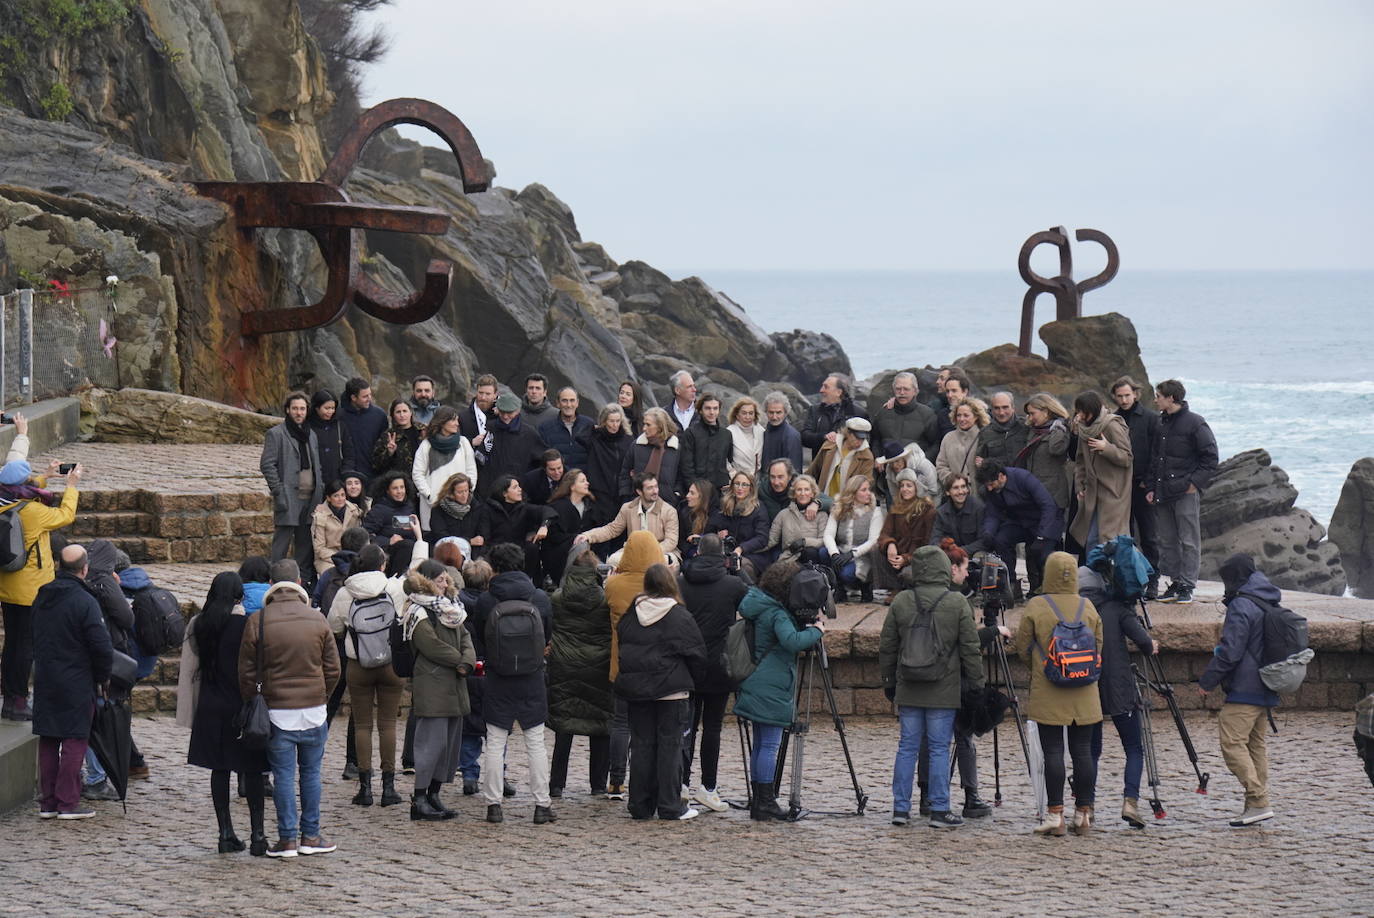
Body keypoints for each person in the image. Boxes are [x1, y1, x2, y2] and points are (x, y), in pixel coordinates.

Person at [238, 559, 341, 858]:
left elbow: (246, 673)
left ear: (272, 585)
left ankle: (287, 839)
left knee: (282, 775)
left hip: (276, 711)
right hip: (313, 710)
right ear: (298, 583)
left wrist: (255, 700)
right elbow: (333, 668)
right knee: (311, 773)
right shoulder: (317, 619)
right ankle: (311, 835)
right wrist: (321, 695)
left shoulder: (258, 620)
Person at [879, 545, 983, 829]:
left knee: (907, 747)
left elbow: (887, 647)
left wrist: (888, 682)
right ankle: (939, 809)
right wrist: (976, 684)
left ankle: (900, 809)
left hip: (909, 685)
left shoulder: (901, 601)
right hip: (943, 687)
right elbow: (970, 650)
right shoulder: (958, 603)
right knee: (939, 748)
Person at [1012, 551, 1104, 837]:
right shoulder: (1087, 606)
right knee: (1084, 752)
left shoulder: (1037, 605)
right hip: (1085, 689)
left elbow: (1023, 648)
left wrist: (1041, 669)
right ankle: (1084, 813)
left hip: (1049, 689)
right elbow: (1098, 647)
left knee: (1053, 751)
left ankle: (1055, 815)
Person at [179, 572, 269, 853]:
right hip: (242, 704)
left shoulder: (199, 624)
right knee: (252, 770)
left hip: (210, 704)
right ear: (240, 596)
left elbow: (191, 668)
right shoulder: (248, 625)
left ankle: (225, 833)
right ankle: (257, 835)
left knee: (220, 769)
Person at [470, 543, 556, 825]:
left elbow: (480, 639)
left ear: (494, 568)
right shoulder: (539, 597)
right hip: (532, 676)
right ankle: (542, 805)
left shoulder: (486, 600)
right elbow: (547, 635)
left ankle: (493, 804)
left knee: (494, 742)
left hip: (498, 676)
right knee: (535, 742)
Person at [732, 560, 825, 820]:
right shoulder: (777, 613)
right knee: (769, 745)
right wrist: (817, 631)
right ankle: (766, 802)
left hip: (756, 681)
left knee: (762, 745)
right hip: (770, 687)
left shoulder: (760, 604)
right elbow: (792, 641)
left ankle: (760, 801)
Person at [616, 562, 708, 821]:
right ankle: (670, 805)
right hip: (671, 691)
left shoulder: (631, 614)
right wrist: (692, 681)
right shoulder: (679, 616)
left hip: (638, 691)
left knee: (642, 747)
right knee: (670, 747)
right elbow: (697, 654)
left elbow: (624, 646)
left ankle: (640, 805)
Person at [1199, 554, 1282, 827]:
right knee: (1255, 744)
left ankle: (1258, 800)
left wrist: (1207, 681)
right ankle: (1255, 805)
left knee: (1232, 742)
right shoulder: (1266, 597)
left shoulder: (1242, 604)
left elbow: (1230, 651)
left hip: (1245, 687)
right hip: (1266, 684)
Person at [31, 545, 111, 821]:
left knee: (49, 738)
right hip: (76, 679)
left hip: (45, 676)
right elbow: (101, 646)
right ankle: (68, 802)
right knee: (75, 738)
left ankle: (48, 802)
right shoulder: (85, 601)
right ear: (85, 568)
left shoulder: (42, 596)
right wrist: (103, 676)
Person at [327, 543, 407, 809]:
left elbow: (333, 627)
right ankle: (388, 787)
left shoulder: (344, 592)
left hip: (358, 662)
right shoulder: (393, 588)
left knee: (362, 725)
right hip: (390, 663)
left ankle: (365, 788)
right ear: (382, 565)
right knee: (387, 724)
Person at [0, 458, 82, 722]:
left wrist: (45, 475)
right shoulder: (33, 512)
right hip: (30, 589)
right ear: (22, 484)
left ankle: (10, 698)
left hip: (6, 585)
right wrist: (71, 486)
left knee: (12, 643)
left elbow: (23, 487)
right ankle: (19, 701)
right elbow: (65, 516)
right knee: (25, 646)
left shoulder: (4, 500)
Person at [1078, 565, 1157, 829]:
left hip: (1087, 688)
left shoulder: (1075, 609)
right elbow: (1144, 643)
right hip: (1121, 687)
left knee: (1091, 750)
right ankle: (1130, 802)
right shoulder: (1117, 607)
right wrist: (1152, 645)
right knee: (1134, 748)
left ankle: (1086, 807)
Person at [676, 535, 746, 812]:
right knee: (712, 728)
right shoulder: (732, 584)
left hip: (688, 663)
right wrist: (739, 571)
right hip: (719, 663)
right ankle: (709, 787)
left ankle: (681, 783)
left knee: (686, 727)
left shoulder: (680, 582)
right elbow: (755, 603)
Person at [404, 566, 476, 821]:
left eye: (446, 578)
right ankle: (420, 797)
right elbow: (430, 644)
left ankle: (434, 793)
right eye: (439, 579)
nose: (445, 583)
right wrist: (460, 660)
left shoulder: (452, 608)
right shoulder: (418, 610)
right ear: (426, 582)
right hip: (433, 683)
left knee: (448, 746)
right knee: (430, 745)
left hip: (454, 683)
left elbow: (466, 637)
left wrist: (467, 660)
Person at [602, 531, 668, 799]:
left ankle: (616, 781)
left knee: (620, 724)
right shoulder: (664, 585)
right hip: (655, 666)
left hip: (622, 664)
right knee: (648, 728)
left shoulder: (614, 585)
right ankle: (646, 782)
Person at [547, 545, 614, 799]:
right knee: (601, 724)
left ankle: (556, 784)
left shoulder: (558, 598)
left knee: (564, 726)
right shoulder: (604, 598)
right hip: (599, 666)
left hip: (565, 664)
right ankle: (598, 784)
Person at [1147, 379, 1219, 604]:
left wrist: (1194, 484)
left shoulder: (1195, 422)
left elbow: (1211, 458)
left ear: (1171, 398)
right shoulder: (1161, 423)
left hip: (1185, 492)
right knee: (1167, 541)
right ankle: (1176, 583)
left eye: (1158, 395)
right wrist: (1150, 487)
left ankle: (1187, 585)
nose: (1155, 399)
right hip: (1163, 491)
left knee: (1189, 541)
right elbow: (1155, 458)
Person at [976, 459, 1061, 595]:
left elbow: (1048, 505)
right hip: (1021, 522)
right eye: (987, 485)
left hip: (1045, 522)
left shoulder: (1023, 478)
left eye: (991, 484)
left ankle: (1044, 589)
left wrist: (1042, 536)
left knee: (1042, 554)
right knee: (1001, 540)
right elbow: (993, 514)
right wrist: (988, 532)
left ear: (1001, 476)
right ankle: (1010, 584)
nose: (989, 488)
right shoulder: (991, 491)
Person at [261, 392, 323, 575]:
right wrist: (278, 490)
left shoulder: (310, 434)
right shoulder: (276, 433)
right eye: (295, 408)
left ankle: (301, 581)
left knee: (304, 544)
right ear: (288, 410)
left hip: (310, 495)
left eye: (302, 408)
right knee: (282, 543)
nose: (299, 412)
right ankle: (274, 578)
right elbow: (267, 464)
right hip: (288, 496)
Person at [1112, 376, 1162, 598]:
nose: (1124, 400)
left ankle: (1152, 581)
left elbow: (1157, 453)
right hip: (1120, 486)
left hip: (1143, 485)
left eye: (1127, 395)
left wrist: (1150, 482)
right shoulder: (1112, 419)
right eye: (1120, 396)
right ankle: (1131, 579)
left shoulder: (1151, 418)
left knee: (1149, 535)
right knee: (1125, 536)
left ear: (1136, 394)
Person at [1069, 391, 1133, 551]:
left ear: (1093, 409)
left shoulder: (1111, 425)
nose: (1080, 416)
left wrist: (1107, 448)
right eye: (1078, 411)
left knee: (1108, 541)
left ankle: (1108, 575)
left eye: (1083, 411)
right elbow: (1080, 461)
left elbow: (1126, 457)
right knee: (1090, 540)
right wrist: (1080, 487)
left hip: (1113, 493)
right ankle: (1097, 575)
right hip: (1092, 492)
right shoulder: (1084, 429)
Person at [578, 472, 680, 565]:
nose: (655, 491)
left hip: (662, 551)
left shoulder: (669, 511)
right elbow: (612, 529)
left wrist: (649, 552)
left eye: (656, 487)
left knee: (659, 563)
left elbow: (671, 541)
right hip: (634, 550)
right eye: (650, 488)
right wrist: (588, 535)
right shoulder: (628, 508)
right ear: (639, 491)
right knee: (612, 560)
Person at [413, 405, 478, 533]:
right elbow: (417, 474)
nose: (457, 424)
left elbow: (471, 470)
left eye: (457, 420)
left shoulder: (463, 443)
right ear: (442, 422)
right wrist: (430, 495)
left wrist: (467, 492)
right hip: (434, 504)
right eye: (453, 420)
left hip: (460, 505)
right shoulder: (426, 445)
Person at [874, 470, 937, 596]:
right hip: (898, 554)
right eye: (902, 486)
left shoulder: (928, 511)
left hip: (917, 558)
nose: (905, 489)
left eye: (909, 485)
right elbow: (884, 534)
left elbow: (928, 545)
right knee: (875, 551)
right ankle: (894, 588)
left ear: (916, 487)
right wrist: (889, 544)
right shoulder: (895, 509)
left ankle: (910, 591)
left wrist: (907, 558)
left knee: (908, 575)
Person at [823, 475, 885, 603]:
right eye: (864, 490)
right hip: (842, 550)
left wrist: (852, 554)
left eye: (869, 489)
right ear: (853, 492)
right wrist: (834, 554)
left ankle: (865, 585)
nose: (868, 493)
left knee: (847, 574)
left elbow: (873, 540)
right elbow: (828, 534)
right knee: (823, 552)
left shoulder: (875, 511)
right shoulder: (839, 508)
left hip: (862, 556)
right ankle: (839, 588)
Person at [1014, 393, 1071, 516]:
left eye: (1032, 413)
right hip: (1034, 492)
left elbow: (1056, 449)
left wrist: (1058, 427)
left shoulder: (1060, 429)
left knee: (1049, 533)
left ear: (1045, 411)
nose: (1029, 418)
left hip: (1053, 494)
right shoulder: (1034, 430)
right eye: (1028, 414)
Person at [484, 475, 552, 578]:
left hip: (518, 551)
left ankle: (528, 581)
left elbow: (547, 511)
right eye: (515, 487)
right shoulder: (488, 509)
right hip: (495, 552)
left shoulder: (524, 508)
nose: (520, 490)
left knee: (532, 547)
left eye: (519, 486)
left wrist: (544, 526)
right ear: (504, 493)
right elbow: (485, 536)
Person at [707, 471, 772, 578]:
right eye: (737, 484)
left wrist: (741, 548)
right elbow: (711, 528)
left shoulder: (758, 508)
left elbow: (762, 538)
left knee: (741, 566)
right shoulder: (724, 504)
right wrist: (717, 535)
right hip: (726, 551)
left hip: (751, 554)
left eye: (744, 484)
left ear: (751, 488)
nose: (740, 488)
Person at [481, 393, 545, 498]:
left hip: (518, 491)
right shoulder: (489, 428)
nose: (505, 416)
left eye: (509, 412)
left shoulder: (529, 433)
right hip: (490, 491)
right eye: (502, 412)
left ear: (518, 411)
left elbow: (541, 460)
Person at [583, 404, 634, 526]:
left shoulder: (628, 439)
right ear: (604, 421)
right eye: (611, 421)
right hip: (600, 491)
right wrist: (594, 428)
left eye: (618, 421)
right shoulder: (596, 438)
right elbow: (580, 438)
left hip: (621, 491)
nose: (615, 425)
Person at [620, 407, 682, 504]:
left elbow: (681, 476)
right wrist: (627, 497)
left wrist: (676, 494)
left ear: (660, 426)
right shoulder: (636, 445)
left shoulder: (676, 449)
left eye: (648, 425)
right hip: (638, 503)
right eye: (644, 424)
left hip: (666, 505)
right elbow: (625, 472)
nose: (644, 428)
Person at [871, 372, 941, 458]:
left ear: (915, 391)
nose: (902, 392)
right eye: (898, 389)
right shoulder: (883, 413)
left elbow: (936, 444)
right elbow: (875, 440)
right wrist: (877, 458)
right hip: (886, 466)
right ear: (893, 390)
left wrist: (922, 461)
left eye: (906, 389)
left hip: (915, 468)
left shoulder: (927, 415)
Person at [542, 469, 594, 583]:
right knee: (581, 543)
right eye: (582, 481)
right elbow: (553, 536)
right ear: (572, 486)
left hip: (588, 551)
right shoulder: (557, 506)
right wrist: (576, 538)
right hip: (559, 552)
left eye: (586, 480)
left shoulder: (591, 506)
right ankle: (564, 586)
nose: (587, 483)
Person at [765, 473, 829, 565]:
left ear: (812, 493)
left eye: (806, 490)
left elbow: (824, 541)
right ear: (794, 494)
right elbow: (771, 540)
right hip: (789, 558)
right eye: (799, 490)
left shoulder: (822, 515)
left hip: (811, 561)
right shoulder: (783, 514)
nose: (803, 493)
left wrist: (804, 542)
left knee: (810, 552)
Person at [362, 472, 420, 569]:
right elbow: (365, 535)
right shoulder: (379, 510)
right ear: (388, 491)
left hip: (411, 551)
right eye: (395, 488)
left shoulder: (409, 506)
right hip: (388, 553)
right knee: (407, 546)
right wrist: (388, 541)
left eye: (402, 487)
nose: (399, 491)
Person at [808, 416, 875, 499]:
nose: (860, 442)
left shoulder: (866, 457)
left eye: (863, 438)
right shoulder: (830, 446)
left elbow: (866, 483)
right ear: (848, 433)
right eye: (857, 437)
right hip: (823, 497)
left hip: (847, 503)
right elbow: (813, 471)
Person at [800, 373, 864, 457]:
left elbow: (865, 443)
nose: (821, 390)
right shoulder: (815, 410)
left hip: (847, 465)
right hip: (821, 465)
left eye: (826, 387)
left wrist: (840, 437)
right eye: (822, 386)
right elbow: (804, 437)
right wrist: (824, 436)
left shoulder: (858, 413)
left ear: (838, 392)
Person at [679, 393, 732, 493]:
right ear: (700, 410)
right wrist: (694, 488)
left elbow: (730, 462)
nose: (712, 412)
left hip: (719, 490)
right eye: (708, 408)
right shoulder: (690, 433)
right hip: (696, 490)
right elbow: (686, 466)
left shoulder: (726, 435)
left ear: (719, 410)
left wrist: (727, 480)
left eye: (715, 408)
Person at [311, 480, 363, 577]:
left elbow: (358, 537)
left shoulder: (354, 511)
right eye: (336, 496)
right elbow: (319, 548)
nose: (340, 499)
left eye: (343, 495)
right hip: (327, 559)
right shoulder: (320, 516)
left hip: (350, 556)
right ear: (328, 498)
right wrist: (339, 558)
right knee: (336, 576)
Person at [339, 377, 388, 481]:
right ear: (353, 397)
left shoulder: (379, 415)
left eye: (370, 394)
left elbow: (383, 446)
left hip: (374, 476)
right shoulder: (339, 416)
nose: (369, 398)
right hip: (347, 476)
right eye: (365, 396)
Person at [428, 472, 489, 554]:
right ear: (451, 493)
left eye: (466, 491)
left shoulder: (477, 507)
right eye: (460, 492)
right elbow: (440, 536)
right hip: (448, 551)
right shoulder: (438, 509)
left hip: (473, 551)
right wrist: (468, 541)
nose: (464, 495)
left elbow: (483, 533)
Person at [935, 396, 988, 489]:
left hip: (979, 495)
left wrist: (985, 464)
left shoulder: (985, 437)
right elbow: (941, 466)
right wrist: (952, 482)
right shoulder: (948, 438)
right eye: (959, 415)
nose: (961, 419)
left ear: (976, 417)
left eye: (966, 415)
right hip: (955, 494)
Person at [308, 389, 356, 489]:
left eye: (333, 408)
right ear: (317, 408)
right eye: (326, 408)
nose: (330, 412)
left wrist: (345, 472)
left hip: (337, 479)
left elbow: (349, 452)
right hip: (313, 480)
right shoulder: (308, 426)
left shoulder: (340, 426)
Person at [929, 473, 985, 556]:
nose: (961, 492)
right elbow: (935, 539)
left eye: (963, 487)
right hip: (949, 556)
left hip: (973, 554)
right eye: (956, 488)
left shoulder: (979, 508)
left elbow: (983, 541)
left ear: (967, 489)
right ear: (948, 492)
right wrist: (946, 551)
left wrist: (960, 551)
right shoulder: (941, 512)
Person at [539, 386, 593, 469]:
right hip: (559, 479)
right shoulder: (545, 428)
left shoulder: (588, 424)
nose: (568, 405)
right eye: (564, 401)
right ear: (558, 403)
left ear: (577, 403)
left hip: (584, 479)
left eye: (572, 400)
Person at [371, 398, 424, 479]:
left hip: (423, 479)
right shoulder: (388, 436)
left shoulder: (423, 431)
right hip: (399, 483)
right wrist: (389, 453)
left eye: (405, 411)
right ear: (393, 415)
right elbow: (376, 464)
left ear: (411, 413)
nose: (402, 415)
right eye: (398, 412)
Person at [974, 391, 1029, 469]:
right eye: (997, 408)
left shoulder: (1026, 427)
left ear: (1013, 408)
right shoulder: (985, 433)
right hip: (998, 479)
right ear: (992, 410)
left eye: (1005, 407)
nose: (1001, 412)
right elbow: (980, 464)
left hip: (1024, 479)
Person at [874, 441, 939, 505]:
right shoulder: (889, 470)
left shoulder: (923, 465)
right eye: (891, 462)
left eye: (897, 461)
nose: (894, 465)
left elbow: (933, 490)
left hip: (932, 498)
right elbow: (895, 495)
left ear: (903, 458)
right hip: (907, 502)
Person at [760, 391, 803, 473]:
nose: (774, 417)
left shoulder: (792, 436)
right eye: (771, 412)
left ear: (786, 413)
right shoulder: (765, 432)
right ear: (766, 411)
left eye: (778, 412)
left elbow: (794, 470)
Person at [461, 374, 499, 469]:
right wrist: (471, 442)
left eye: (487, 394)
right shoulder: (463, 416)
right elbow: (455, 442)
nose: (483, 397)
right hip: (471, 467)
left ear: (495, 395)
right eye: (480, 393)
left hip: (497, 467)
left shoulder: (503, 416)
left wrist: (502, 415)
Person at [725, 396, 764, 480]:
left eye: (751, 413)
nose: (747, 417)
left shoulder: (761, 432)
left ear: (755, 415)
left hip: (757, 482)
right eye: (744, 413)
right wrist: (734, 475)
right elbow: (724, 460)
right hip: (737, 481)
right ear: (737, 415)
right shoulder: (729, 432)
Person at [678, 479, 716, 563]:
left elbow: (717, 540)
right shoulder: (684, 512)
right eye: (688, 492)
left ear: (702, 497)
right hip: (690, 556)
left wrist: (702, 539)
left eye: (692, 493)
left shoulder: (715, 515)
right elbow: (681, 540)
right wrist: (692, 553)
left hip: (712, 556)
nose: (687, 496)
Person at [935, 368, 973, 441]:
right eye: (947, 391)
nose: (950, 395)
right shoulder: (942, 415)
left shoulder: (979, 411)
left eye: (954, 391)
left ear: (965, 391)